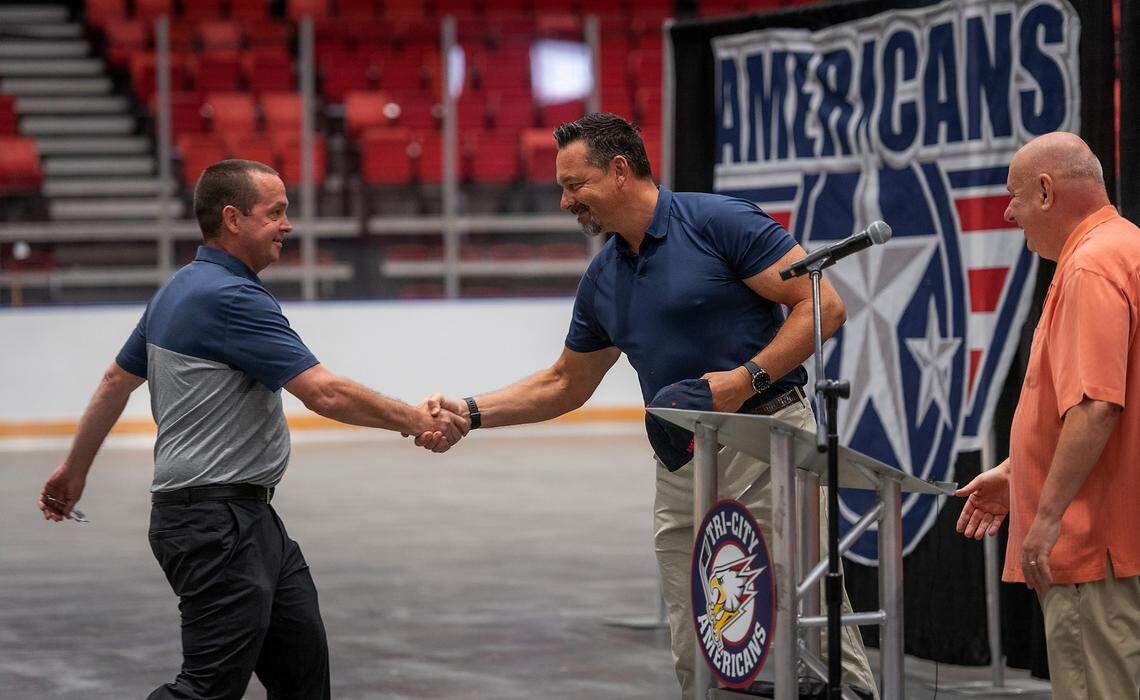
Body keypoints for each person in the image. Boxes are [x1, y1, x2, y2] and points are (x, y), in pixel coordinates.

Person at [415, 113, 877, 698]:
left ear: (618, 170)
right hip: (682, 462)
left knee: (798, 608)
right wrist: (471, 410)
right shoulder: (605, 275)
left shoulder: (719, 222)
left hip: (766, 439)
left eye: (574, 184)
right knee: (697, 634)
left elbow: (822, 305)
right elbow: (565, 381)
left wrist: (743, 379)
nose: (565, 201)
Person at [37, 160, 468, 699]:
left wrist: (72, 470)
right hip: (215, 524)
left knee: (302, 679)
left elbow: (112, 381)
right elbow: (323, 391)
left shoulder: (177, 290)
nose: (288, 225)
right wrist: (416, 422)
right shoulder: (230, 299)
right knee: (208, 689)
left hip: (244, 518)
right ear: (233, 218)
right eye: (276, 212)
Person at [956, 132, 1140, 698]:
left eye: (1014, 197)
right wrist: (1016, 474)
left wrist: (1048, 518)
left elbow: (1095, 407)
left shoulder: (1090, 267)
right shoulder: (1124, 246)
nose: (1008, 212)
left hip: (1093, 548)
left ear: (1045, 190)